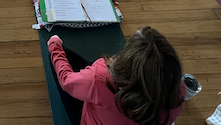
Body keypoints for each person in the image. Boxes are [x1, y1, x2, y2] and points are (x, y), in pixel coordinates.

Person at [48, 26, 185, 125]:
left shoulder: (102, 78)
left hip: (91, 115)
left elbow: (66, 81)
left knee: (63, 58)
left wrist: (54, 45)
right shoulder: (178, 92)